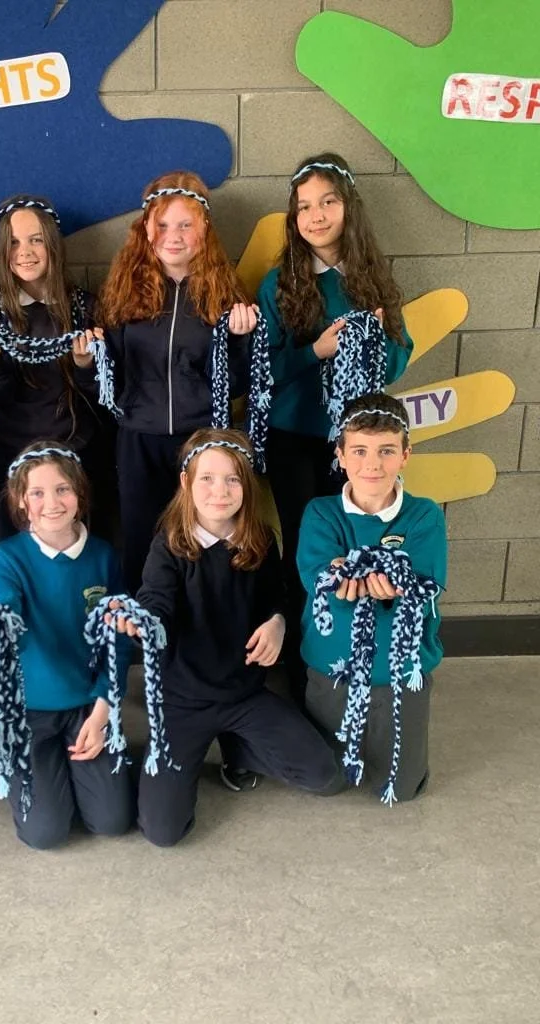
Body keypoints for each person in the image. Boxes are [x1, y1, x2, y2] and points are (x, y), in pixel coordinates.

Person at [110, 428, 339, 847]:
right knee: (162, 832)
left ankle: (237, 744)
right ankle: (180, 757)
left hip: (244, 694)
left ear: (247, 485)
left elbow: (278, 597)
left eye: (233, 479)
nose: (221, 490)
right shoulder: (169, 546)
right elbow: (155, 601)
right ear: (186, 483)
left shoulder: (259, 541)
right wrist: (141, 623)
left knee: (323, 774)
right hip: (182, 701)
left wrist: (278, 622)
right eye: (207, 479)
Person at [257, 152, 415, 703]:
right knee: (307, 546)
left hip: (355, 446)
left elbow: (399, 359)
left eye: (327, 201)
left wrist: (373, 341)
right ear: (293, 217)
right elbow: (262, 371)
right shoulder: (280, 283)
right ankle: (302, 671)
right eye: (304, 206)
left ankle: (347, 657)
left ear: (348, 207)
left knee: (354, 544)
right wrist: (315, 351)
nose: (316, 215)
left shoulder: (373, 278)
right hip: (296, 440)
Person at [98, 171, 258, 593]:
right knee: (141, 537)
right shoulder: (123, 291)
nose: (174, 236)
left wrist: (240, 342)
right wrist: (85, 361)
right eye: (163, 224)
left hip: (200, 438)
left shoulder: (224, 293)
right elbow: (106, 373)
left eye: (185, 224)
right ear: (146, 229)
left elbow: (237, 384)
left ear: (203, 228)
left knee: (203, 537)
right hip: (138, 437)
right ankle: (145, 628)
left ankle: (201, 629)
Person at [0, 442, 134, 850]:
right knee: (46, 834)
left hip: (85, 706)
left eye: (63, 489)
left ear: (80, 495)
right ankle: (6, 751)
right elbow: (0, 620)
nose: (52, 503)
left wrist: (102, 713)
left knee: (113, 821)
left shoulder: (103, 557)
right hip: (28, 710)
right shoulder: (4, 560)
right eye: (38, 493)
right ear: (21, 503)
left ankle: (77, 764)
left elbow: (117, 641)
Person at [297, 392, 447, 801]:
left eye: (386, 451)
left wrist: (364, 573)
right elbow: (322, 578)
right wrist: (377, 577)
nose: (372, 464)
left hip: (401, 676)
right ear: (341, 455)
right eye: (360, 451)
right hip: (334, 670)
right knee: (331, 779)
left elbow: (423, 583)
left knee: (402, 788)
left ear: (405, 455)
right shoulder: (321, 513)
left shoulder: (425, 515)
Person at [0, 194, 117, 540]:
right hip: (9, 455)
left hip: (72, 450)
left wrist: (85, 364)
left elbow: (102, 397)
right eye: (13, 243)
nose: (24, 251)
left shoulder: (83, 307)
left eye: (35, 240)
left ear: (53, 244)